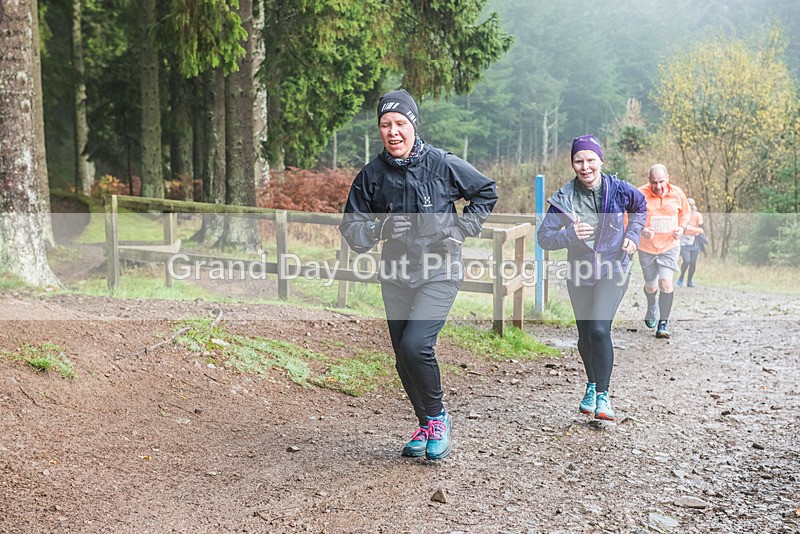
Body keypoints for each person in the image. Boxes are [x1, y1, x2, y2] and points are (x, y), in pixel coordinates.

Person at [339, 89, 497, 460]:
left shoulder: (442, 164)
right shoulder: (371, 176)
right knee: (401, 356)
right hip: (395, 275)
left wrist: (462, 229)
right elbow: (351, 230)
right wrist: (379, 230)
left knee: (416, 346)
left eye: (399, 123)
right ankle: (425, 423)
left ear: (413, 126)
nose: (392, 131)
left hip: (439, 270)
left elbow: (486, 191)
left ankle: (439, 417)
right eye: (385, 125)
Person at [537, 135, 646, 421]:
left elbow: (640, 207)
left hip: (614, 267)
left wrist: (633, 236)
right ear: (572, 164)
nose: (585, 167)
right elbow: (544, 238)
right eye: (578, 161)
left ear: (600, 161)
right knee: (585, 336)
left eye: (590, 160)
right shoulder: (564, 198)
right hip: (580, 272)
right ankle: (591, 384)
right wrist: (568, 235)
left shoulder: (619, 189)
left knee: (599, 329)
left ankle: (603, 397)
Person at [637, 164, 690, 339]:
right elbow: (628, 217)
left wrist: (681, 228)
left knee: (666, 283)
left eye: (661, 182)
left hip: (670, 246)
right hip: (647, 248)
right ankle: (651, 304)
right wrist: (642, 230)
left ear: (667, 179)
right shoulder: (640, 194)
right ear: (648, 180)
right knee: (651, 286)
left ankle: (663, 323)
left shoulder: (677, 193)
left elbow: (685, 214)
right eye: (654, 182)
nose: (658, 187)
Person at [677, 198, 705, 288]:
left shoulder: (697, 215)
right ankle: (681, 277)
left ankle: (689, 281)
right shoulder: (680, 215)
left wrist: (692, 229)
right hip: (683, 241)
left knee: (693, 262)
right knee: (686, 260)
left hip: (694, 241)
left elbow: (702, 230)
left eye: (690, 205)